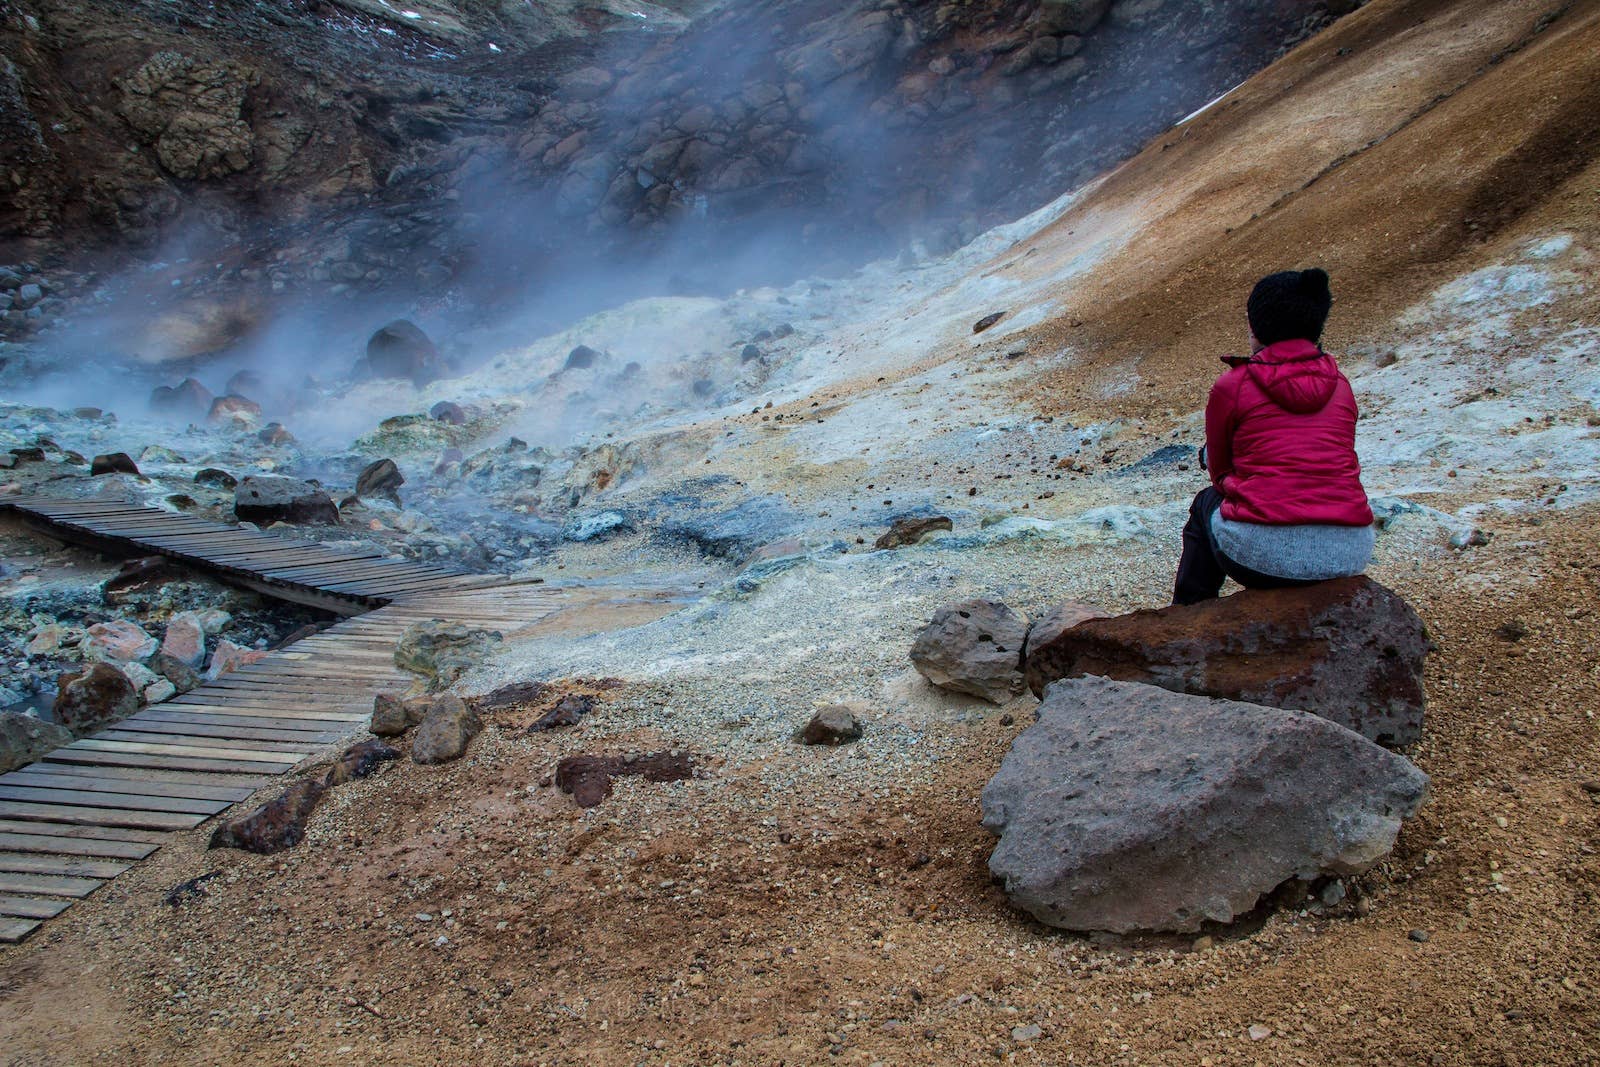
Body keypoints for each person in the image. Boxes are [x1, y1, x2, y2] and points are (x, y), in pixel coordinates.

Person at [1172, 267, 1375, 606]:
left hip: (1264, 557)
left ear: (1258, 326)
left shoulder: (1233, 386)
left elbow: (1220, 474)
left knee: (1205, 503)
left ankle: (1188, 614)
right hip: (1349, 553)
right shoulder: (1341, 385)